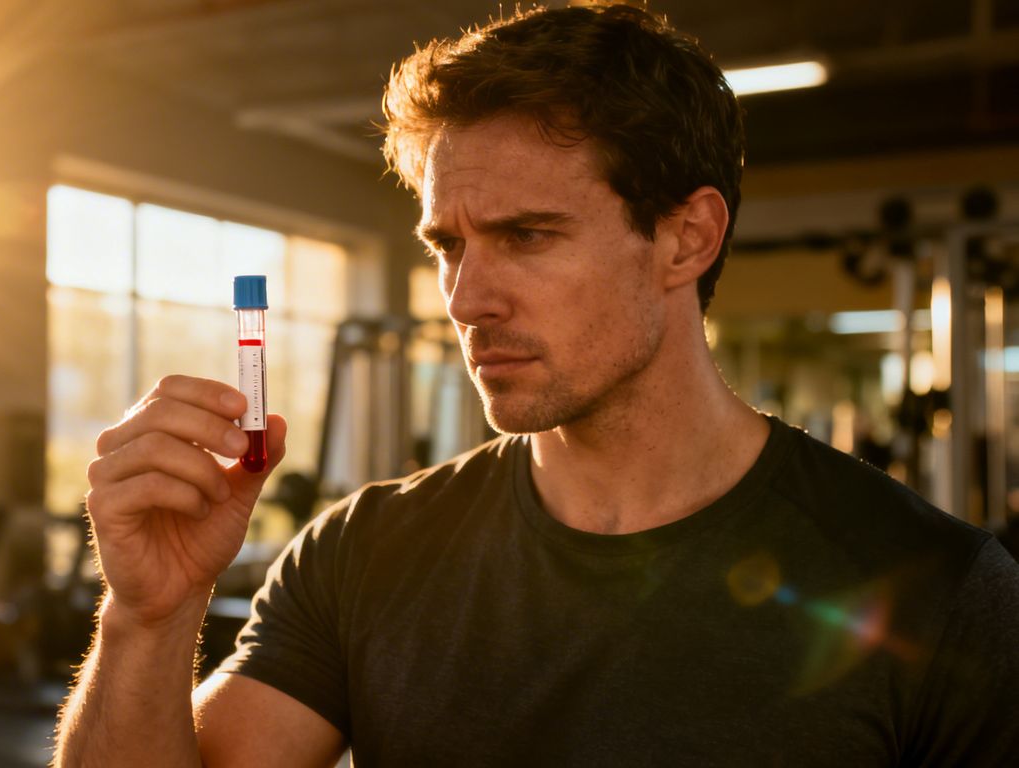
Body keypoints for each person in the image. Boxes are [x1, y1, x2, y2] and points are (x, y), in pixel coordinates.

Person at [55, 4, 1019, 765]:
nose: (467, 297)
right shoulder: (363, 553)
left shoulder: (942, 590)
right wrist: (151, 615)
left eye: (527, 236)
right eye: (448, 246)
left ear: (687, 238)